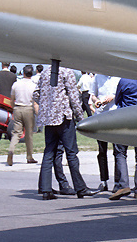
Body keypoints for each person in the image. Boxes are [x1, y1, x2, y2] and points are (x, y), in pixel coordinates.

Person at [34, 65, 91, 200]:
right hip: (64, 117)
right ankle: (80, 188)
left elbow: (36, 93)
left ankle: (46, 189)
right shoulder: (67, 71)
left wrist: (47, 104)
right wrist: (80, 117)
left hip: (48, 118)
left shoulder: (45, 72)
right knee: (71, 153)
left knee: (49, 152)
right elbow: (73, 96)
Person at [108, 78, 137, 200]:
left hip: (124, 119)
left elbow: (117, 100)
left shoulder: (124, 81)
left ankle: (124, 184)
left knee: (120, 153)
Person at [6, 65, 37, 166]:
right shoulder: (33, 85)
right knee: (29, 134)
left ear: (23, 73)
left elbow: (12, 99)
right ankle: (29, 156)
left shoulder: (16, 84)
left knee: (16, 132)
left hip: (17, 108)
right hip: (28, 108)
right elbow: (35, 100)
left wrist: (13, 108)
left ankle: (11, 150)